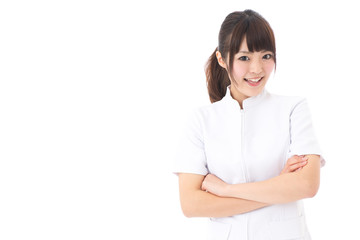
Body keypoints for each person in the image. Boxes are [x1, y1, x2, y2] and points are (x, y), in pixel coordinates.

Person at [174, 9, 325, 240]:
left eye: (266, 56)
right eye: (244, 57)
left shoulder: (294, 109)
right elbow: (191, 204)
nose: (257, 69)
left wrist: (226, 191)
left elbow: (306, 185)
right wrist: (279, 187)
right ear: (222, 59)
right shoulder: (201, 120)